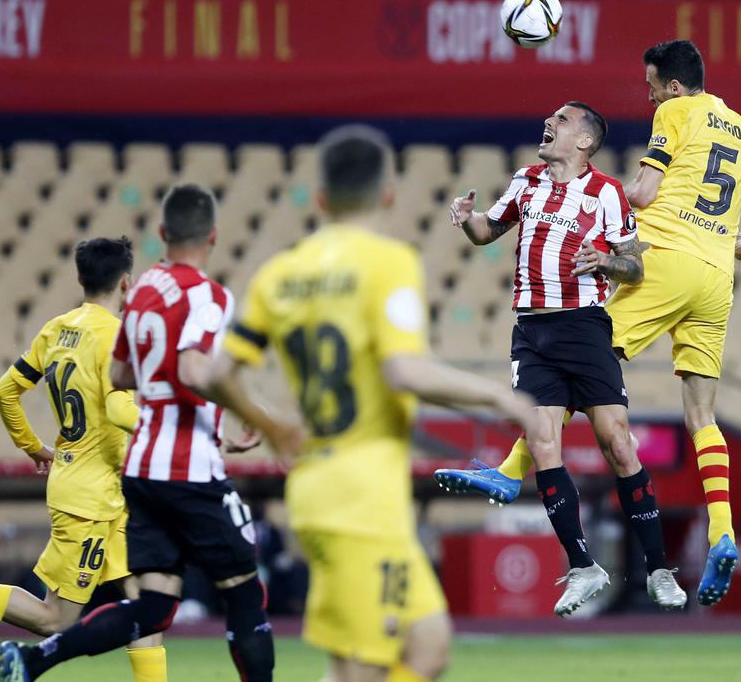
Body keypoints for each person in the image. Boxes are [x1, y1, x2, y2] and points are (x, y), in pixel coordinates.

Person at [435, 40, 741, 606]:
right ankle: (723, 530)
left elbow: (645, 193)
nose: (649, 96)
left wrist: (586, 195)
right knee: (701, 413)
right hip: (717, 280)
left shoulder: (675, 113)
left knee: (585, 353)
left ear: (673, 85)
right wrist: (737, 249)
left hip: (665, 264)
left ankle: (509, 468)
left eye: (652, 86)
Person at [206, 124, 538, 682]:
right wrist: (500, 398)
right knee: (368, 666)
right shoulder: (388, 262)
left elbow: (216, 372)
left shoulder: (279, 275)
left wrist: (272, 423)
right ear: (389, 194)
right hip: (360, 498)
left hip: (321, 488)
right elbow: (402, 369)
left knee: (423, 646)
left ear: (319, 198)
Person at [0, 185, 274, 682]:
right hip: (180, 471)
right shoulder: (208, 296)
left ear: (163, 233)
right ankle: (38, 655)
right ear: (213, 236)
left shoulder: (144, 294)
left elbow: (123, 375)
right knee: (246, 594)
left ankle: (38, 660)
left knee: (150, 610)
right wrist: (259, 417)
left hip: (135, 476)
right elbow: (188, 373)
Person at [435, 102, 686, 616]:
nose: (549, 123)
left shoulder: (608, 193)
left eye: (563, 120)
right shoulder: (526, 181)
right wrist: (466, 221)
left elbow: (635, 269)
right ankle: (583, 566)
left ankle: (660, 568)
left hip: (584, 328)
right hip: (531, 333)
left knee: (617, 444)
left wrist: (606, 261)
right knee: (543, 443)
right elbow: (488, 232)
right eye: (551, 118)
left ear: (585, 141)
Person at [0, 237, 167, 682]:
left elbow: (5, 392)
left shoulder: (57, 328)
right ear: (127, 282)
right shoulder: (117, 335)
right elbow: (117, 408)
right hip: (90, 499)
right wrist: (164, 427)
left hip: (98, 489)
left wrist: (32, 446)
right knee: (55, 620)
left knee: (145, 606)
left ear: (80, 279)